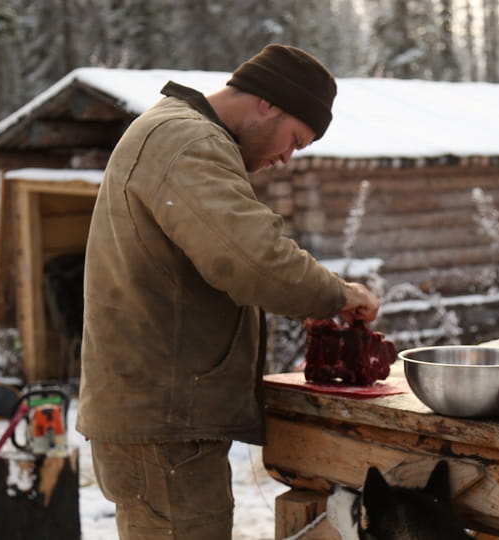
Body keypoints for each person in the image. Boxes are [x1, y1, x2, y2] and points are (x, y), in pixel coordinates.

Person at [76, 44, 380, 539]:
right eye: (295, 140)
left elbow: (218, 262)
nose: (285, 158)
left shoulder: (175, 132)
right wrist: (339, 295)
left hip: (163, 412)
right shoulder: (187, 140)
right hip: (164, 420)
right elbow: (249, 259)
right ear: (269, 103)